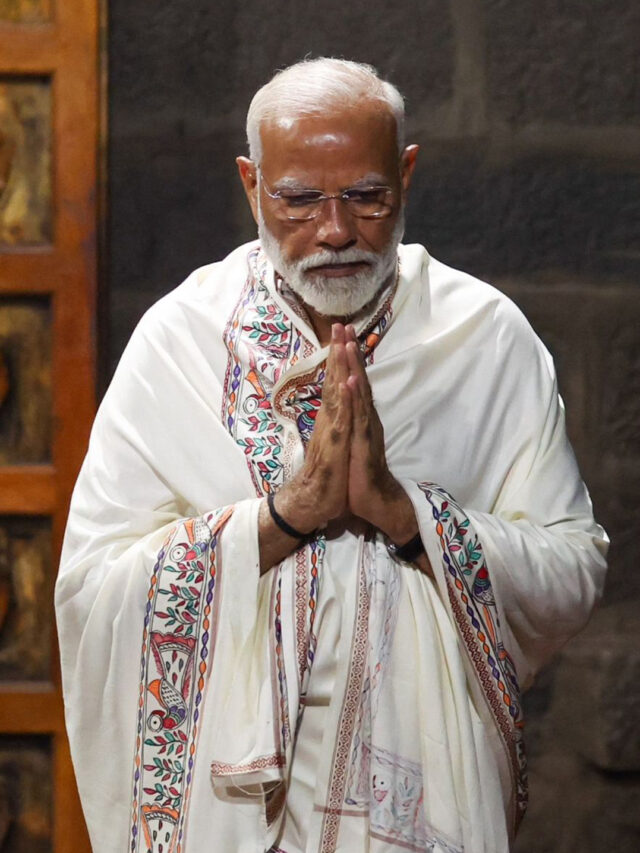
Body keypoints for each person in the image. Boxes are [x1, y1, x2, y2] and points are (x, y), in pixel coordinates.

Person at [55, 58, 607, 853]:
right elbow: (91, 590)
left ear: (407, 175)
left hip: (420, 811)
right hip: (231, 820)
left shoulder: (482, 341)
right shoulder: (180, 344)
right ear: (251, 185)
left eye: (367, 196)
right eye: (300, 200)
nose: (337, 230)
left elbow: (573, 569)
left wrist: (406, 514)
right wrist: (285, 518)